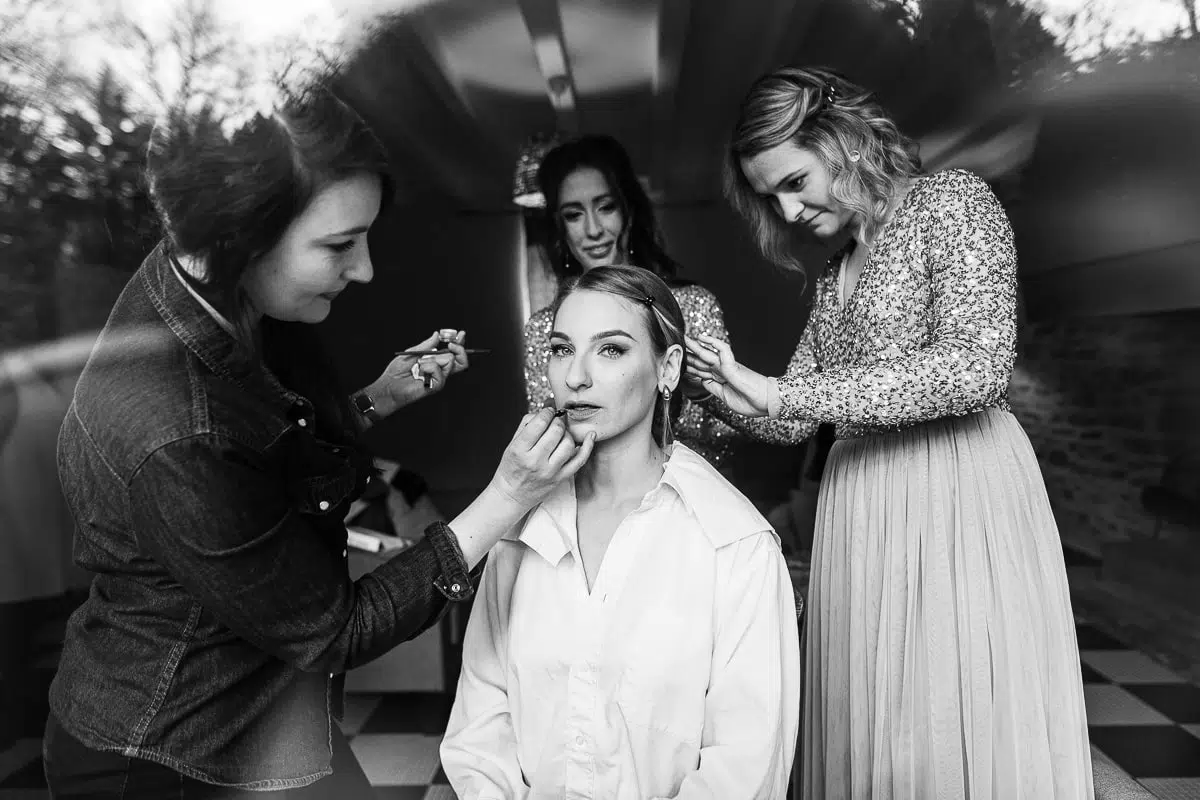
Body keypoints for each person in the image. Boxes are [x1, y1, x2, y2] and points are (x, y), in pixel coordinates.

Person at [43, 77, 595, 798]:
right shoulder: (173, 426)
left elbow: (257, 454)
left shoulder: (211, 281)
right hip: (170, 753)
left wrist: (376, 398)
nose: (364, 269)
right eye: (339, 244)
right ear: (241, 233)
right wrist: (508, 496)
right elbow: (335, 632)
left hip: (261, 713)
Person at [685, 67, 1094, 799]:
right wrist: (713, 382)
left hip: (953, 491)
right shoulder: (835, 270)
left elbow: (977, 367)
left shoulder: (952, 203)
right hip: (862, 511)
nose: (786, 208)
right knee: (880, 725)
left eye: (793, 180)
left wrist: (780, 389)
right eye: (769, 195)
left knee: (949, 711)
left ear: (842, 141)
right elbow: (796, 418)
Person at [443, 265, 800, 799]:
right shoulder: (519, 533)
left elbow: (747, 762)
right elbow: (481, 726)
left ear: (669, 368)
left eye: (610, 350)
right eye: (562, 349)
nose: (576, 377)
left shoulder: (734, 542)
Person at [522, 134, 740, 467]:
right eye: (573, 214)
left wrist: (702, 392)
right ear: (559, 227)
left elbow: (731, 430)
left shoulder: (692, 306)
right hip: (590, 499)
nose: (593, 229)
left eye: (606, 207)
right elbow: (549, 443)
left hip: (689, 495)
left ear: (629, 212)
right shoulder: (544, 327)